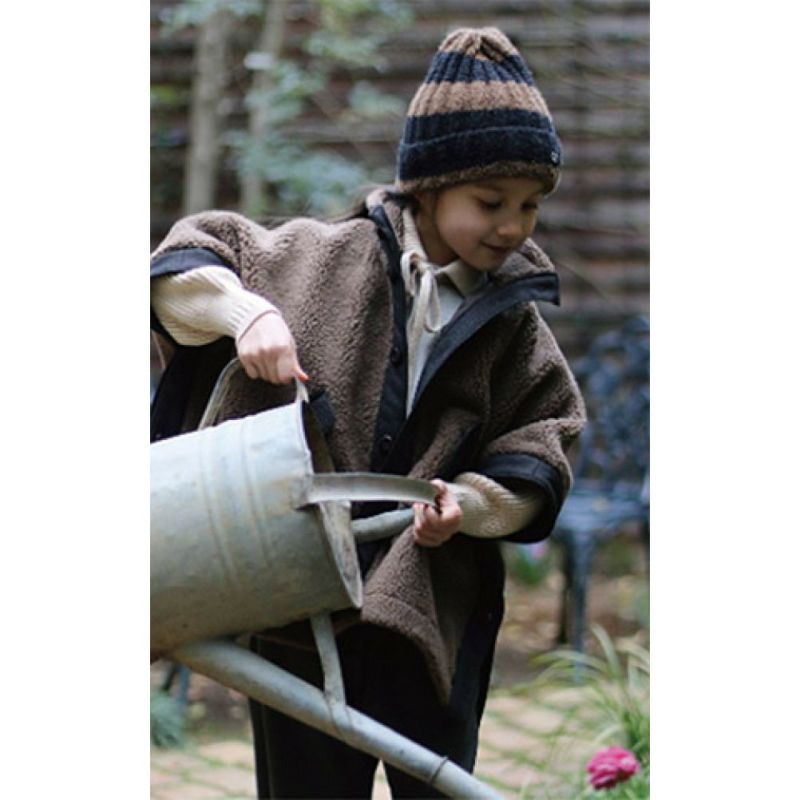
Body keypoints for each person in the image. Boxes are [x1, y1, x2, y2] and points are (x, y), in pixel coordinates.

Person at [150, 26, 586, 799]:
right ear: (428, 186)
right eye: (490, 202)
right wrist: (247, 315)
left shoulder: (513, 323)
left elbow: (546, 437)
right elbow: (182, 266)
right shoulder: (316, 261)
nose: (514, 227)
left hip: (433, 611)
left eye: (530, 205)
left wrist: (472, 505)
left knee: (439, 784)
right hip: (298, 602)